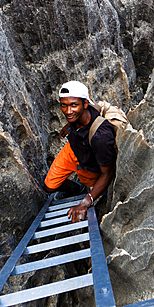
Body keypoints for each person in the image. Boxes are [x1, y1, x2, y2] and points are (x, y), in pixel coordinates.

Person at [44, 80, 116, 223]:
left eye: (73, 105)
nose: (67, 111)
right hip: (73, 150)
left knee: (96, 189)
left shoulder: (100, 137)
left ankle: (86, 190)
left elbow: (108, 173)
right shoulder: (77, 116)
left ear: (85, 104)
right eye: (63, 105)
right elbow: (73, 115)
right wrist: (68, 126)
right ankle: (76, 188)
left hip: (90, 165)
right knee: (49, 187)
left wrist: (86, 201)